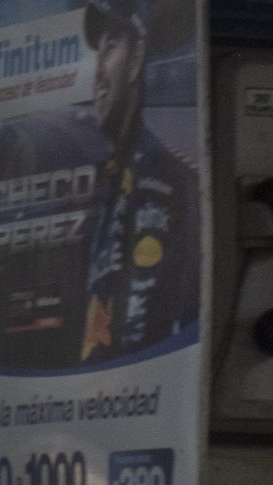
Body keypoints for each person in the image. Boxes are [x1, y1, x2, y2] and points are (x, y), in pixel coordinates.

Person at [78, 0, 199, 366]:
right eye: (97, 53)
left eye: (111, 47)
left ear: (136, 60)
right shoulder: (114, 183)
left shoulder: (164, 181)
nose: (98, 72)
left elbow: (145, 327)